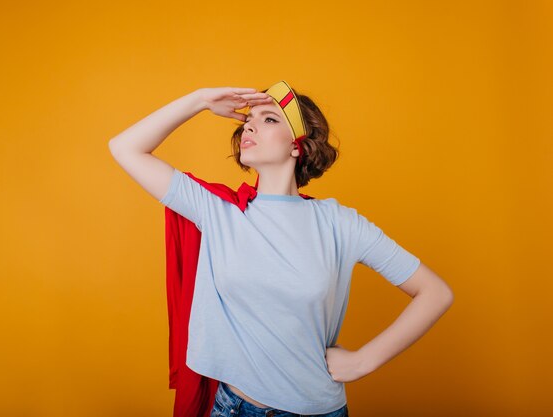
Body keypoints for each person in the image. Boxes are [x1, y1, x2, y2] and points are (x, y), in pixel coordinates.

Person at [108, 81, 454, 417]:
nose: (249, 128)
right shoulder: (216, 210)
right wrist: (199, 100)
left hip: (320, 411)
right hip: (235, 408)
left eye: (269, 120)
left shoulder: (340, 223)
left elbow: (435, 292)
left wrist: (363, 360)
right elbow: (125, 148)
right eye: (248, 121)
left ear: (297, 146)